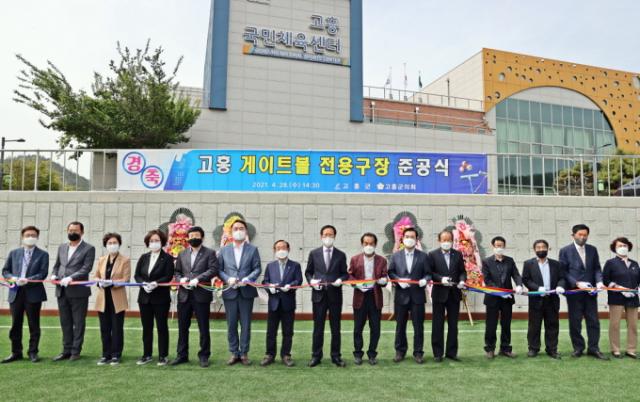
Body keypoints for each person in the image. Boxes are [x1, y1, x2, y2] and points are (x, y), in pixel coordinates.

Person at [559, 224, 608, 360]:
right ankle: (578, 348)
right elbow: (563, 271)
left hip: (590, 292)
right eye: (580, 234)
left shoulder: (592, 249)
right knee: (575, 322)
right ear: (573, 235)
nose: (582, 237)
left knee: (594, 321)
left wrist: (599, 281)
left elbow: (597, 268)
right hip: (574, 292)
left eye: (585, 235)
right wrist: (576, 283)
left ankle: (594, 348)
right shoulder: (565, 251)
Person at [171, 226, 218, 367]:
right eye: (191, 236)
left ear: (202, 237)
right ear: (188, 238)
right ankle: (182, 355)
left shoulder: (210, 253)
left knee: (203, 327)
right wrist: (181, 280)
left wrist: (198, 279)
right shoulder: (182, 254)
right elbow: (177, 271)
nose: (194, 238)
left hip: (201, 295)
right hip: (184, 295)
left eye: (196, 235)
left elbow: (213, 269)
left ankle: (204, 356)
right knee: (182, 327)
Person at [1, 226, 48, 363]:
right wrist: (13, 278)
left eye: (33, 235)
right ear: (22, 237)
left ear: (37, 237)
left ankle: (33, 352)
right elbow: (5, 271)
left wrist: (28, 280)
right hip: (15, 292)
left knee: (34, 324)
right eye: (27, 235)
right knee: (15, 324)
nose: (30, 237)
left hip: (33, 292)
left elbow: (43, 273)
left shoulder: (43, 254)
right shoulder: (14, 253)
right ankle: (16, 352)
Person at [218, 219, 262, 366]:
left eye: (241, 228)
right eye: (235, 228)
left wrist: (248, 279)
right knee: (231, 324)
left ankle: (244, 353)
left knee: (245, 324)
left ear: (246, 231)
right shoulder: (224, 250)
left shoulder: (253, 249)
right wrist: (228, 278)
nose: (238, 231)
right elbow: (219, 269)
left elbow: (257, 268)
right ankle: (234, 352)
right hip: (230, 291)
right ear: (231, 232)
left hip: (246, 291)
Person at [51, 221, 96, 362]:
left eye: (75, 230)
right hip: (62, 290)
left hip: (78, 292)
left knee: (78, 322)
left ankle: (76, 351)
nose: (72, 233)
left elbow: (86, 268)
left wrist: (71, 277)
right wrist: (54, 275)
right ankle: (66, 350)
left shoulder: (89, 248)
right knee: (65, 322)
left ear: (82, 232)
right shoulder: (62, 247)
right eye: (70, 230)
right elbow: (57, 265)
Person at [305, 224, 348, 367]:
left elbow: (345, 273)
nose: (328, 237)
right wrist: (311, 281)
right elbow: (308, 272)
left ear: (335, 236)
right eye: (325, 235)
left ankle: (336, 356)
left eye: (331, 235)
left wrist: (340, 280)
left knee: (335, 328)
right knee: (318, 327)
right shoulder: (314, 253)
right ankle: (316, 356)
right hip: (319, 295)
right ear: (321, 236)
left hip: (335, 295)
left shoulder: (341, 255)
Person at [388, 227, 431, 364]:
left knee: (418, 326)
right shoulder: (396, 256)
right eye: (407, 236)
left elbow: (428, 274)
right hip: (401, 296)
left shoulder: (423, 256)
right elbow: (391, 272)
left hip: (418, 296)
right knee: (400, 325)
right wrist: (398, 281)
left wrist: (425, 280)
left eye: (412, 237)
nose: (409, 239)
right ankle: (400, 351)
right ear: (402, 238)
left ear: (417, 239)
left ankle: (418, 352)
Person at [135, 229, 175, 366]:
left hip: (160, 298)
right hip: (144, 297)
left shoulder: (168, 258)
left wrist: (156, 283)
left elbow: (168, 276)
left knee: (161, 327)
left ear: (162, 242)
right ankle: (147, 355)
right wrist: (142, 284)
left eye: (156, 240)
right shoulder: (143, 257)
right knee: (146, 327)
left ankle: (163, 355)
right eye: (151, 241)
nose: (154, 243)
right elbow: (137, 275)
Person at [260, 240, 302, 367]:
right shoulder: (270, 266)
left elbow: (299, 280)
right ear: (274, 250)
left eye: (283, 247)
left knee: (288, 331)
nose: (281, 250)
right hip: (273, 303)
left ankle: (286, 355)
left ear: (288, 249)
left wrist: (290, 285)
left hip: (288, 303)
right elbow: (265, 281)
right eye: (278, 248)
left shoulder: (295, 265)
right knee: (271, 331)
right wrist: (269, 288)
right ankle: (269, 355)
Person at [348, 232, 388, 365]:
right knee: (358, 328)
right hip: (360, 296)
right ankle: (358, 354)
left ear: (375, 244)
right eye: (366, 243)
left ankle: (372, 354)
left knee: (375, 328)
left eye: (371, 243)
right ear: (362, 244)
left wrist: (384, 280)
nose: (369, 246)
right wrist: (357, 284)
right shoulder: (355, 259)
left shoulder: (382, 260)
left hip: (375, 297)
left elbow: (385, 276)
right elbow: (350, 275)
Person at [522, 239, 565, 359]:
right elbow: (526, 279)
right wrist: (537, 288)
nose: (541, 249)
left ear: (548, 248)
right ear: (534, 249)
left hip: (552, 299)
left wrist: (560, 286)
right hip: (536, 299)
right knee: (534, 325)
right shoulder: (528, 264)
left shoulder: (556, 264)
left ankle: (552, 349)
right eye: (538, 247)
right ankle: (533, 348)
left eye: (543, 247)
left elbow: (562, 278)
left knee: (552, 325)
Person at [481, 236, 523, 359]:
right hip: (492, 298)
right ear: (492, 246)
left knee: (506, 324)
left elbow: (516, 275)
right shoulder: (486, 261)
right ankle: (490, 349)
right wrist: (500, 292)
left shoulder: (510, 260)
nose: (499, 248)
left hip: (507, 299)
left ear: (504, 246)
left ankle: (505, 348)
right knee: (491, 324)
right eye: (497, 246)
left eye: (501, 246)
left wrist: (519, 285)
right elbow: (487, 280)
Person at [428, 230, 467, 362]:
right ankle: (438, 353)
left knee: (453, 325)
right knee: (437, 324)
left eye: (449, 240)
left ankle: (452, 352)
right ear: (439, 241)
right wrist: (440, 279)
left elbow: (462, 272)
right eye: (444, 240)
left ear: (452, 241)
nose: (446, 242)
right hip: (439, 293)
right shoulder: (432, 254)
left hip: (454, 294)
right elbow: (429, 272)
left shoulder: (458, 254)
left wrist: (462, 281)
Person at [94, 233, 131, 366]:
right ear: (106, 245)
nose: (112, 245)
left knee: (116, 328)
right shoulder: (102, 259)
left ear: (119, 244)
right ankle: (106, 355)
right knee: (104, 328)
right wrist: (99, 282)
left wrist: (111, 283)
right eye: (109, 243)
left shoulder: (125, 260)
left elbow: (126, 279)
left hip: (117, 298)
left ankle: (116, 355)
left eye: (115, 243)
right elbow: (96, 276)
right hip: (103, 298)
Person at [602, 237, 640, 358]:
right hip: (616, 298)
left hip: (633, 298)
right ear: (615, 248)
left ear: (628, 247)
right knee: (615, 324)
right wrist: (618, 288)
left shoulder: (634, 264)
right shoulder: (610, 263)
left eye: (625, 245)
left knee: (633, 325)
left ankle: (631, 349)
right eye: (620, 246)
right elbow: (605, 280)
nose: (623, 247)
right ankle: (615, 349)